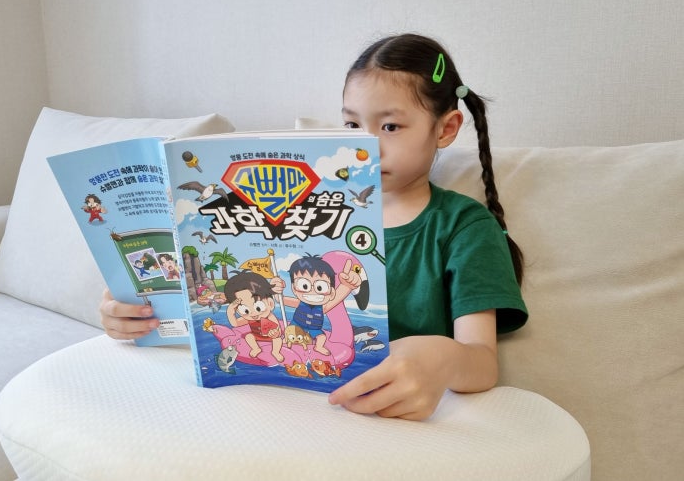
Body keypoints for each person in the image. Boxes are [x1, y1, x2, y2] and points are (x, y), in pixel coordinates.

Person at [99, 33, 528, 421]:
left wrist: (442, 358)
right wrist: (141, 313)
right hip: (281, 406)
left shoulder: (463, 227)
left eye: (390, 126)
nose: (364, 146)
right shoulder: (303, 213)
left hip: (387, 420)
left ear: (446, 128)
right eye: (352, 125)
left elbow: (482, 362)